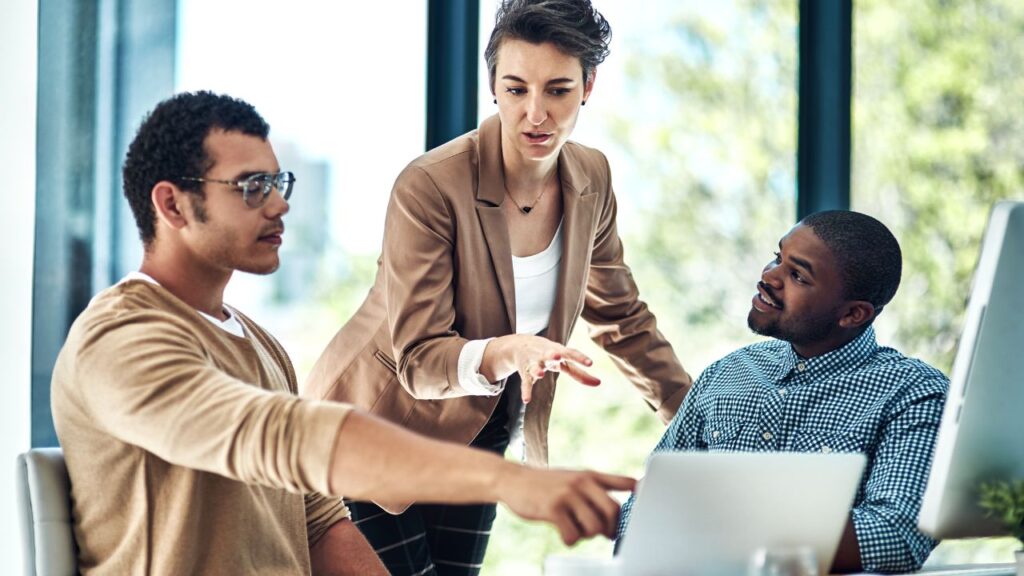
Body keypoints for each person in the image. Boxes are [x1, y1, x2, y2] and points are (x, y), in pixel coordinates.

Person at [50, 91, 637, 576]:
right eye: (252, 187)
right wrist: (507, 481)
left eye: (279, 183)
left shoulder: (259, 344)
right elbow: (282, 436)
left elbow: (319, 520)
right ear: (172, 205)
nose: (280, 205)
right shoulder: (121, 337)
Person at [305, 0, 693, 573]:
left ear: (589, 85)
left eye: (557, 90)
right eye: (516, 90)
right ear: (493, 85)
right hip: (374, 428)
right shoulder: (430, 186)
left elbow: (622, 318)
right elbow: (417, 356)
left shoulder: (592, 179)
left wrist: (700, 420)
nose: (535, 114)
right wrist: (510, 350)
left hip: (479, 429)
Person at [616, 211, 949, 574]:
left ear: (853, 314)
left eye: (797, 275)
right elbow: (648, 500)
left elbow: (894, 535)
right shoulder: (729, 372)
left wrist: (714, 535)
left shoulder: (914, 393)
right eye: (778, 257)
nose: (769, 276)